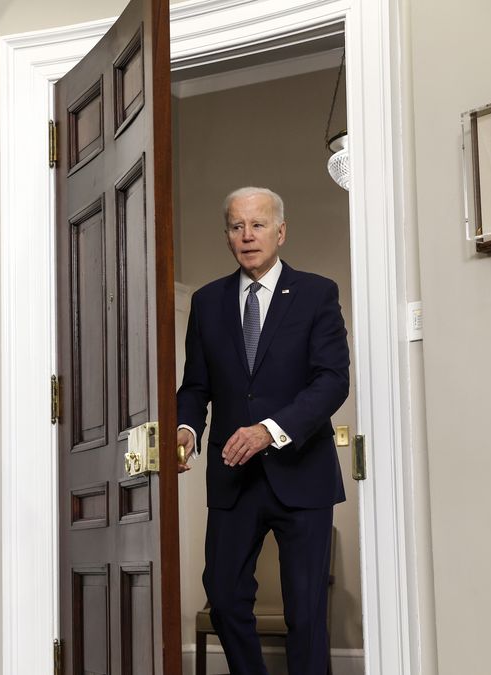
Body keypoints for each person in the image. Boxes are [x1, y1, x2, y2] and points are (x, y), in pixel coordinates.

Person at [176, 186, 349, 675]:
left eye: (258, 224)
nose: (247, 235)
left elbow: (332, 380)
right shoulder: (207, 302)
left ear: (281, 231)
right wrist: (186, 427)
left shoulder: (317, 293)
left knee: (306, 612)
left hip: (303, 476)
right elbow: (195, 384)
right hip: (234, 479)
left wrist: (270, 430)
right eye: (237, 226)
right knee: (226, 599)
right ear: (227, 235)